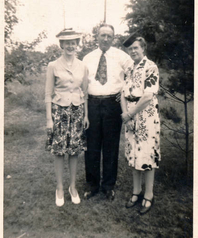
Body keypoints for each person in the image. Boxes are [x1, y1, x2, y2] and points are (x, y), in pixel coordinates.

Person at [83, 23, 134, 201]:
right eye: (102, 35)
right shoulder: (87, 58)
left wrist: (126, 95)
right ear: (96, 36)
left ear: (113, 38)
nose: (105, 39)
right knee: (92, 146)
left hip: (113, 103)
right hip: (93, 103)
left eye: (109, 36)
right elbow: (82, 83)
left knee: (111, 146)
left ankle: (108, 186)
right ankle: (92, 184)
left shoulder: (122, 57)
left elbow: (134, 75)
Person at [45, 28, 89, 206]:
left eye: (74, 42)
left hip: (77, 112)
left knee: (74, 151)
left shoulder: (82, 66)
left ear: (77, 45)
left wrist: (86, 115)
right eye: (67, 43)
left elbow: (84, 93)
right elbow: (48, 94)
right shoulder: (53, 65)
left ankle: (72, 187)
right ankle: (59, 187)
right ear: (61, 45)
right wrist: (49, 119)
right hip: (59, 112)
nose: (71, 46)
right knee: (59, 151)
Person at [121, 35, 160, 214]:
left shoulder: (151, 67)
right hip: (130, 116)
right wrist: (126, 116)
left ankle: (149, 195)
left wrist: (130, 114)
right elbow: (123, 93)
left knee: (147, 155)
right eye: (130, 49)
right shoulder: (129, 69)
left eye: (136, 48)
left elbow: (147, 96)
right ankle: (136, 192)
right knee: (134, 155)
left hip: (145, 116)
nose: (133, 51)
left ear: (143, 48)